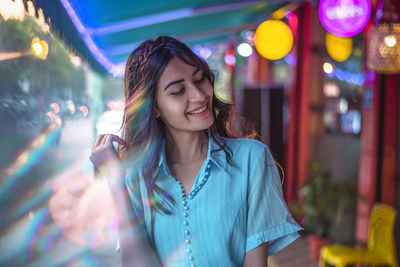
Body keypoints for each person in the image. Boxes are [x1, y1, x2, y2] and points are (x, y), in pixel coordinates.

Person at [90, 36, 302, 267]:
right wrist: (115, 181)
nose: (199, 95)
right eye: (178, 91)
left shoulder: (252, 158)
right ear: (155, 108)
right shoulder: (136, 176)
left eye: (200, 79)